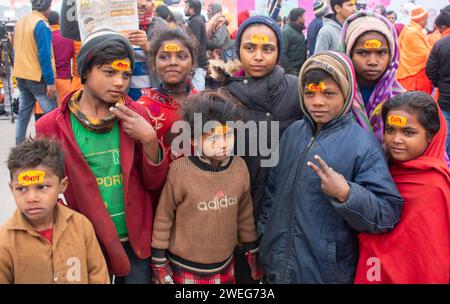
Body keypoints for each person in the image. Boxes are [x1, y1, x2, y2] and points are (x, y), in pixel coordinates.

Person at [35, 27, 169, 283]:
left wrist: (150, 139)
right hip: (86, 242)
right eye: (109, 72)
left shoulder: (135, 116)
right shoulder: (52, 126)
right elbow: (43, 189)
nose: (120, 82)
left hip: (134, 243)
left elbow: (154, 183)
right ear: (85, 70)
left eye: (126, 74)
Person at [258, 51, 404, 283]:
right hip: (276, 266)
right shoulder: (293, 133)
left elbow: (387, 212)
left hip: (324, 272)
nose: (317, 102)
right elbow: (272, 192)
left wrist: (347, 193)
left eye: (328, 93)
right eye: (309, 93)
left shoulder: (362, 144)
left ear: (346, 94)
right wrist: (264, 236)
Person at [220, 15, 302, 283]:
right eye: (249, 48)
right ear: (237, 49)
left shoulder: (296, 90)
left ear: (278, 51)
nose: (258, 56)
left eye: (267, 49)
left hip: (286, 200)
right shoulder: (224, 94)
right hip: (238, 204)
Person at [150, 91, 261, 284]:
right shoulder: (179, 171)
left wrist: (252, 250)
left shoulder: (239, 168)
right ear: (193, 140)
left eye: (228, 135)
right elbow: (163, 218)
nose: (223, 144)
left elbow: (245, 215)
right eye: (213, 138)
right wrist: (159, 261)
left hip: (226, 264)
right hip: (184, 267)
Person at [355, 92, 450, 284]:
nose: (396, 139)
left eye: (408, 132)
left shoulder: (433, 186)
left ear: (431, 135)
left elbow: (426, 259)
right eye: (390, 130)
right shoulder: (381, 170)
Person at [0, 138, 110, 284]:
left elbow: (97, 273)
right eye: (21, 189)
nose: (31, 198)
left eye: (42, 187)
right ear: (11, 189)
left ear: (62, 185)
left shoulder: (81, 226)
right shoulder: (5, 241)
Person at [341, 11, 405, 143]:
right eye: (362, 52)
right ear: (349, 53)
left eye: (381, 52)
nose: (372, 62)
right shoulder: (336, 94)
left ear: (392, 55)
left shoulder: (401, 100)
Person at [138, 29, 199, 154]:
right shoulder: (142, 108)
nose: (172, 62)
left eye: (182, 56)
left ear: (193, 63)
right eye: (164, 57)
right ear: (154, 64)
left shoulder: (203, 102)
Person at [13, 0, 57, 144]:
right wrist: (50, 82)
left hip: (21, 75)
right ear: (45, 6)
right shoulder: (41, 25)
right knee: (52, 115)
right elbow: (44, 56)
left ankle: (19, 146)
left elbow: (15, 50)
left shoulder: (21, 22)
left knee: (23, 114)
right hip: (37, 78)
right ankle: (55, 146)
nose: (50, 9)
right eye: (49, 6)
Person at [426, 6, 450, 155]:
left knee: (445, 136)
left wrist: (439, 83)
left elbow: (430, 70)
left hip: (445, 98)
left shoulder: (441, 43)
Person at [397, 6, 433, 94]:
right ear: (420, 19)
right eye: (425, 19)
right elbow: (423, 54)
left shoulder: (415, 29)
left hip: (414, 73)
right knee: (412, 103)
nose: (427, 21)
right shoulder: (412, 31)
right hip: (412, 74)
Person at [47, 11, 74, 105]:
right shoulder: (67, 37)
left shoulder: (45, 36)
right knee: (64, 110)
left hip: (47, 80)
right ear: (59, 20)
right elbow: (71, 54)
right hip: (64, 79)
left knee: (46, 114)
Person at [185, 0, 207, 91]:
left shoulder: (196, 21)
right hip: (197, 62)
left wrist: (193, 62)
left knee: (198, 90)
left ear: (192, 9)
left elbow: (195, 43)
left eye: (186, 7)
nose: (184, 9)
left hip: (197, 63)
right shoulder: (196, 20)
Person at [281, 8, 307, 76]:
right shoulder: (287, 32)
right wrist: (291, 71)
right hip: (291, 72)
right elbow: (282, 53)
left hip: (299, 70)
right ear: (299, 18)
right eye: (304, 16)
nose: (305, 18)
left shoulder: (298, 30)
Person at [0, 31, 13, 116]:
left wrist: (8, 37)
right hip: (4, 64)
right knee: (8, 88)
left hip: (4, 64)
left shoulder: (6, 38)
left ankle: (8, 109)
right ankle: (8, 108)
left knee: (8, 88)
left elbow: (10, 48)